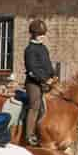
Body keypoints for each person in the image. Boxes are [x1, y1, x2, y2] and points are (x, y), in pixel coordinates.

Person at [22, 18, 55, 146]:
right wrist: (45, 80)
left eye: (43, 34)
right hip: (33, 83)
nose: (43, 37)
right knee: (35, 105)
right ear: (34, 34)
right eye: (40, 34)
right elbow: (32, 69)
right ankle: (29, 135)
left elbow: (47, 64)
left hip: (47, 81)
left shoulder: (43, 48)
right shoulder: (29, 49)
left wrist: (53, 75)